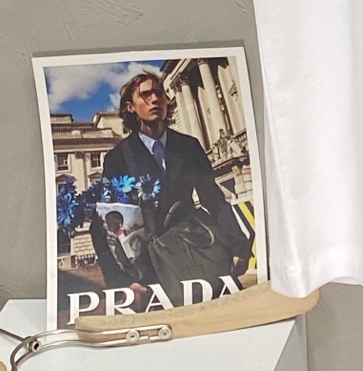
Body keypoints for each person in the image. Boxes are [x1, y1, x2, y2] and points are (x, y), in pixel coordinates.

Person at [99, 71, 252, 296]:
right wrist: (122, 282)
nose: (155, 99)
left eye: (159, 93)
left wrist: (239, 246)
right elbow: (105, 222)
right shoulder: (118, 158)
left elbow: (213, 199)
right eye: (146, 95)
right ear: (130, 107)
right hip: (151, 267)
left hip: (198, 249)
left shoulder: (189, 146)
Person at [92, 208, 140, 290]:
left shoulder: (131, 237)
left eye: (110, 222)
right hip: (117, 281)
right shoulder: (109, 241)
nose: (107, 224)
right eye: (107, 222)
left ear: (119, 222)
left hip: (132, 278)